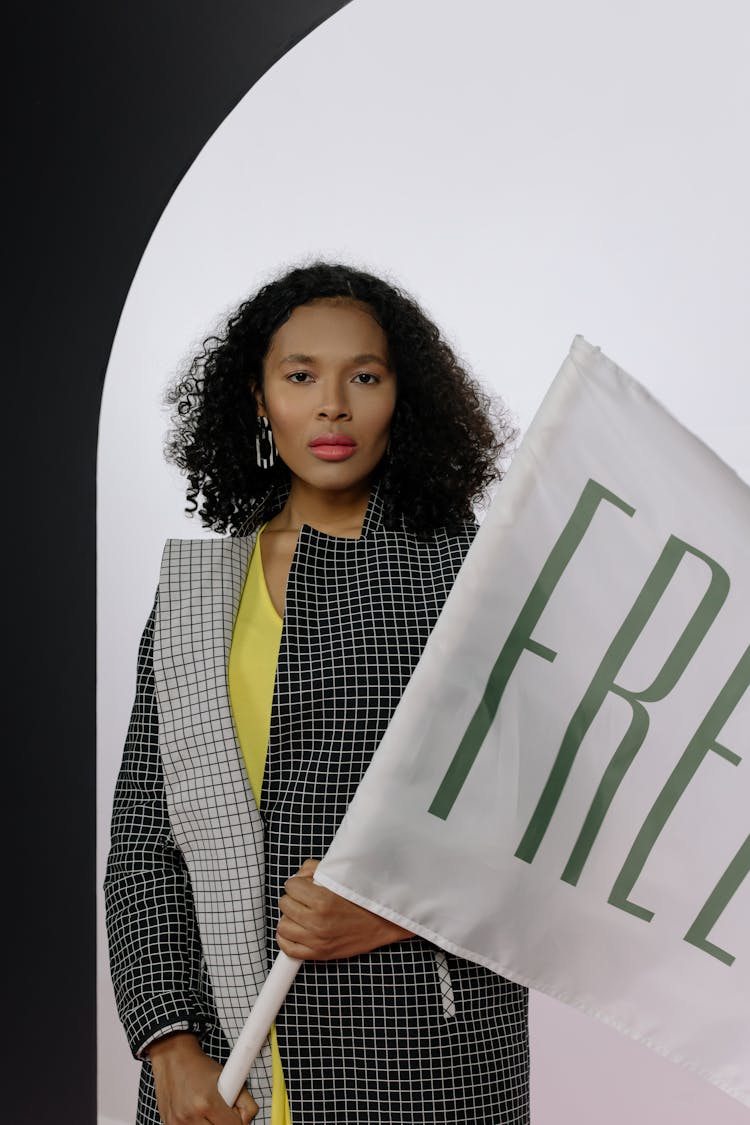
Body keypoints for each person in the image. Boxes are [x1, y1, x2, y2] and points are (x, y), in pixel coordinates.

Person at [105, 260, 530, 1125]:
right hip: (226, 1076)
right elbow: (145, 849)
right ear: (259, 399)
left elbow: (547, 822)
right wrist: (170, 1046)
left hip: (420, 1059)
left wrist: (388, 912)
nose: (332, 405)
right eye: (301, 376)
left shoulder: (471, 574)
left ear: (399, 398)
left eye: (363, 377)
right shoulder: (196, 588)